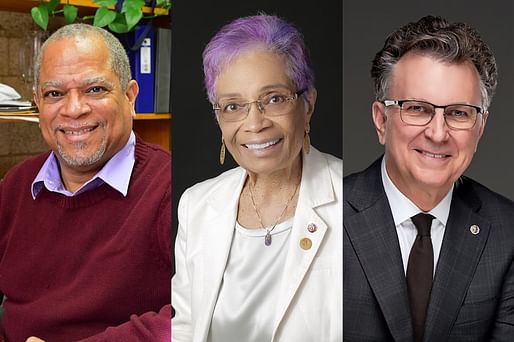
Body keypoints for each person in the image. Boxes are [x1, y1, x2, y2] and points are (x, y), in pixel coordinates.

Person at [172, 14, 342, 342]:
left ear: (307, 104)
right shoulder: (196, 205)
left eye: (274, 99)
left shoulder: (353, 201)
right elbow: (184, 328)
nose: (254, 123)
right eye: (233, 106)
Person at [344, 15, 514, 341]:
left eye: (459, 113)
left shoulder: (507, 234)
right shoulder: (328, 215)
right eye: (418, 108)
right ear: (381, 120)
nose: (438, 133)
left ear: (480, 128)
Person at [0, 24, 171, 341]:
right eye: (55, 94)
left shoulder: (169, 188)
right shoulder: (16, 184)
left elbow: (194, 314)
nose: (74, 109)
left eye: (94, 90)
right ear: (38, 103)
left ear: (130, 96)